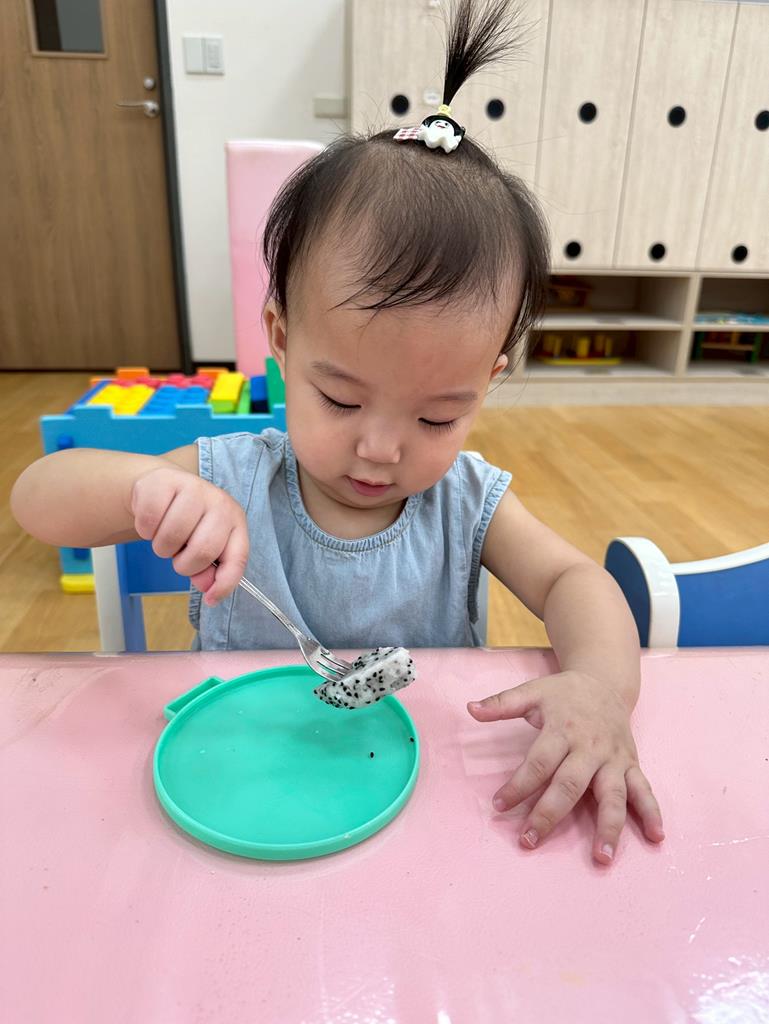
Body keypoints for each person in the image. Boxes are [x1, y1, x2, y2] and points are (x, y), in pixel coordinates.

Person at [11, 0, 664, 864]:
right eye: (342, 400)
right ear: (281, 342)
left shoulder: (464, 501)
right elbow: (37, 501)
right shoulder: (231, 474)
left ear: (488, 381)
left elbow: (576, 580)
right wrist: (144, 489)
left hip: (421, 804)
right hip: (239, 787)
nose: (382, 449)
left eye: (437, 415)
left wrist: (599, 687)